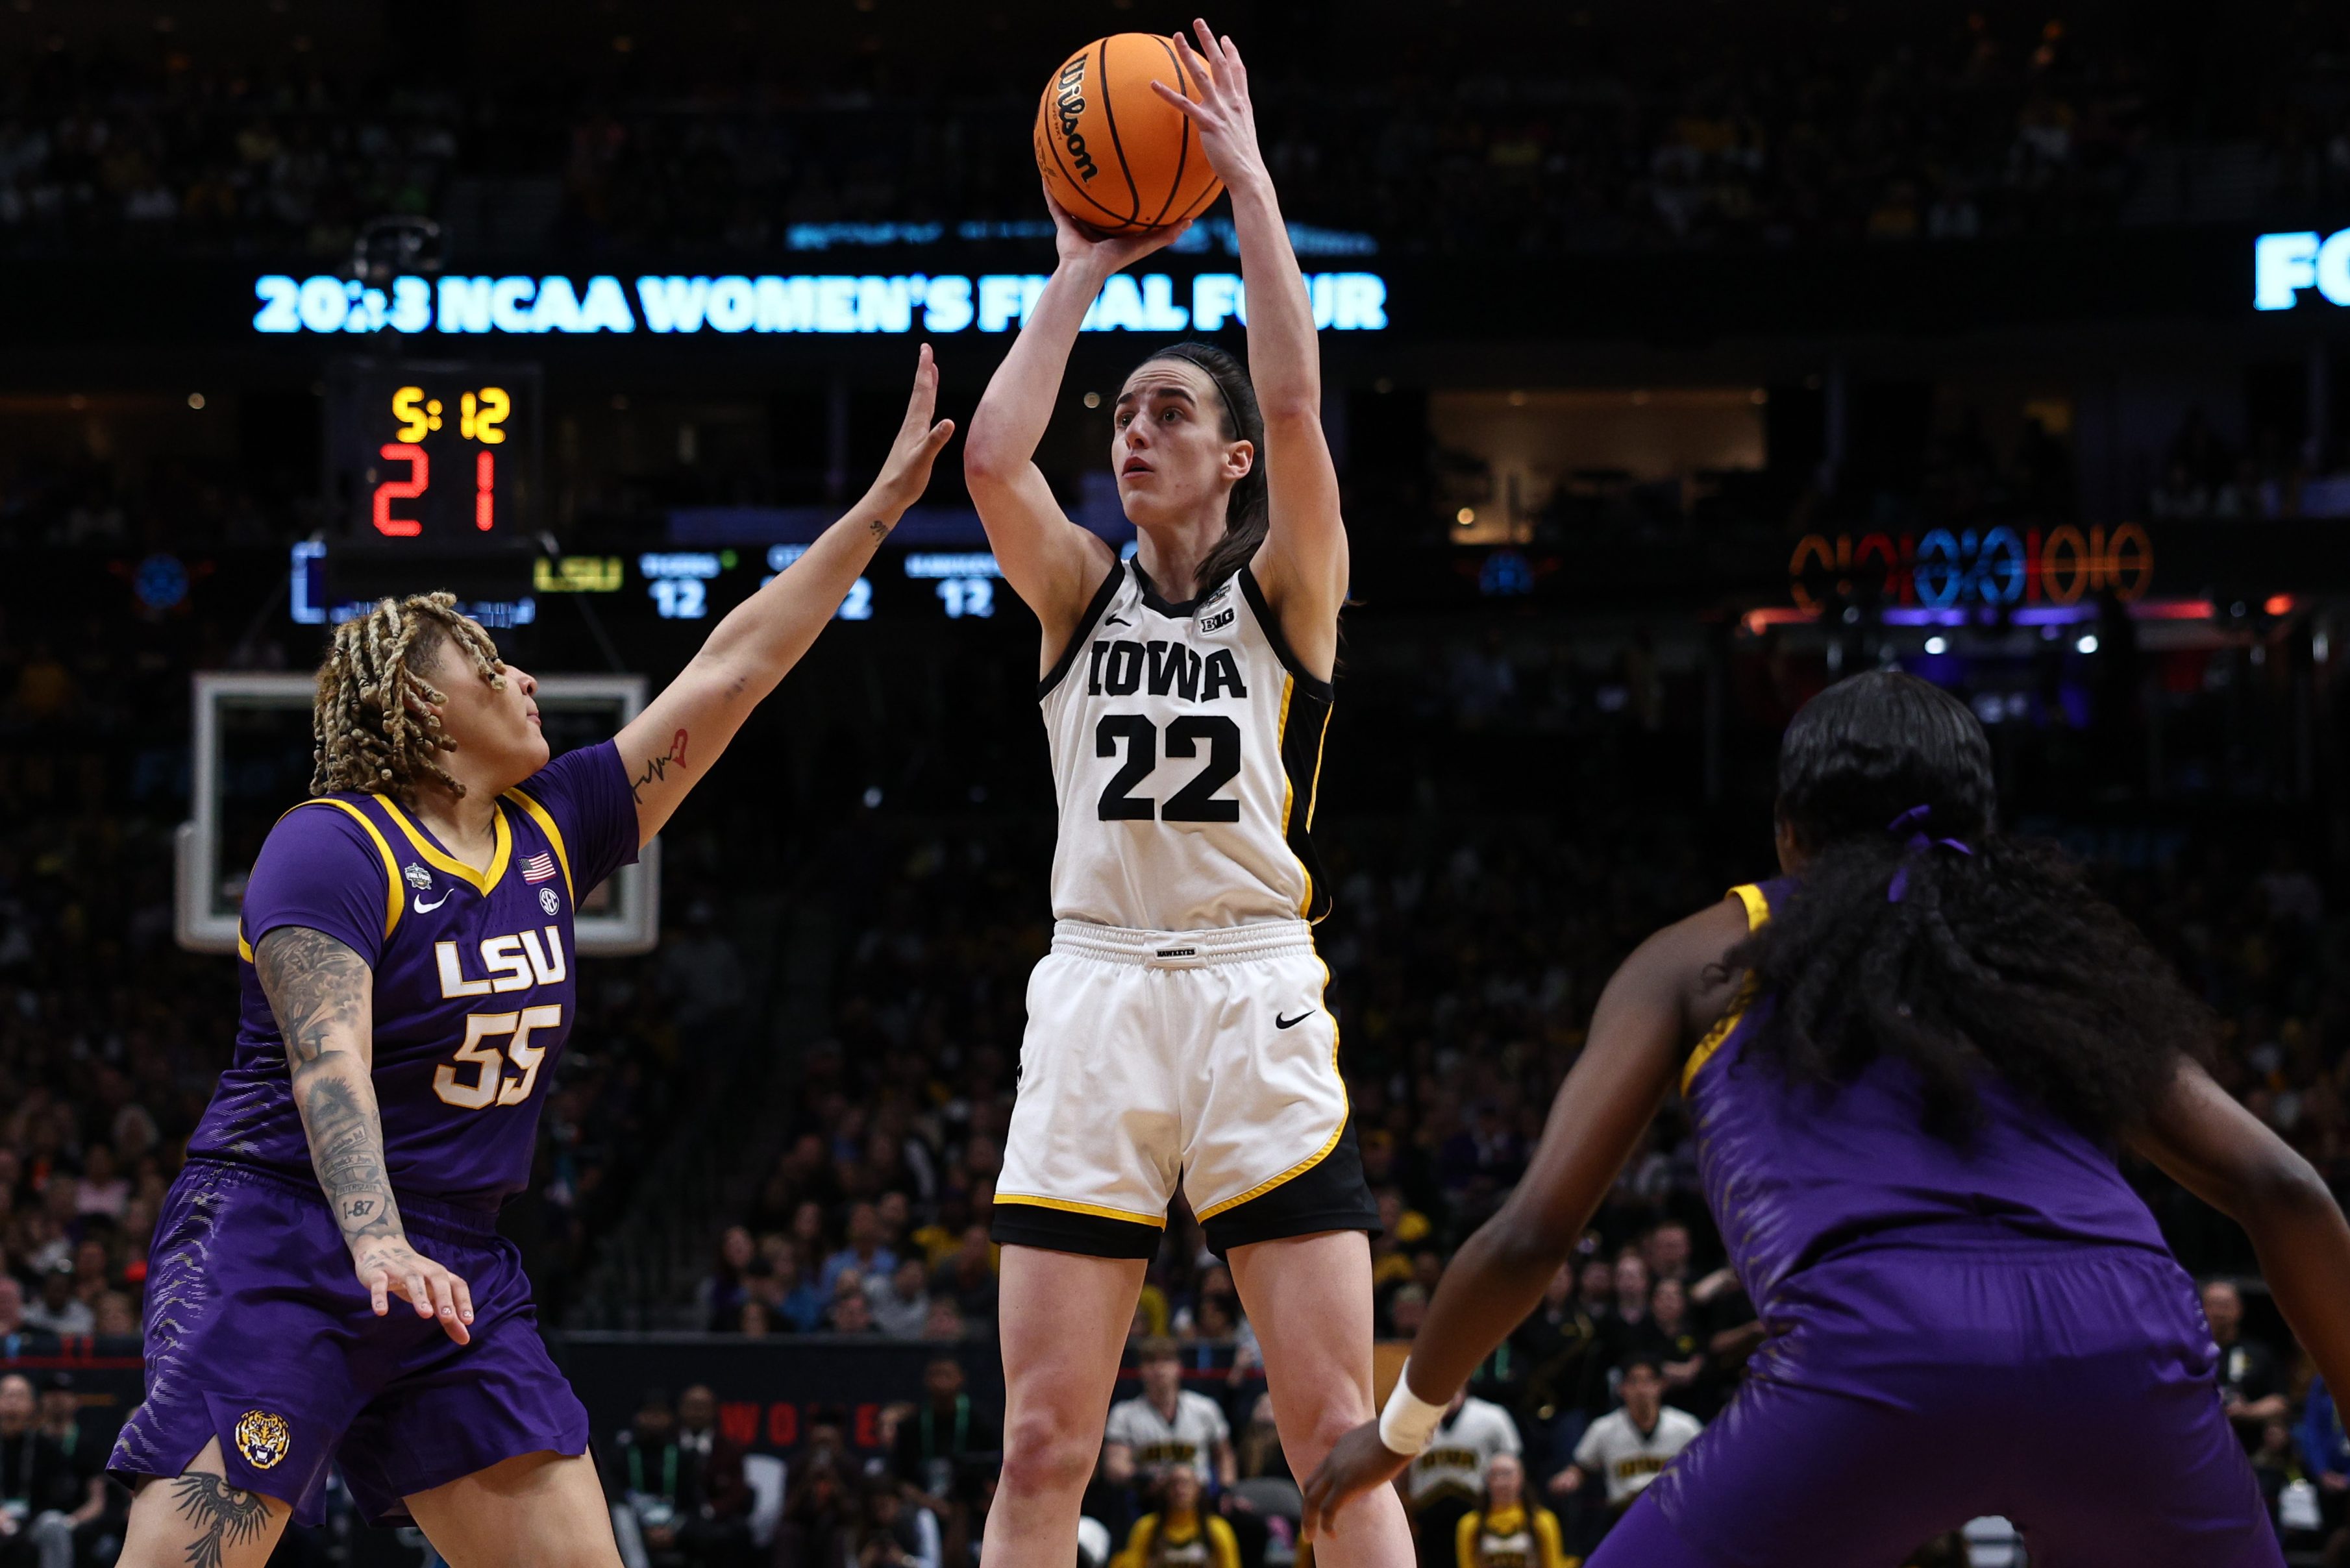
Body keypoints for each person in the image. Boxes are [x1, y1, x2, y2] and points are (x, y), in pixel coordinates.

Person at [104, 350, 956, 1568]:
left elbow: (737, 666)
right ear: (419, 701)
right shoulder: (328, 847)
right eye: (491, 663)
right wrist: (374, 1235)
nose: (525, 674)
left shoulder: (558, 821)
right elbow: (328, 1064)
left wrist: (878, 509)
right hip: (280, 1238)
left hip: (455, 1257)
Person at [1307, 671, 2350, 1566]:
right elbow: (2287, 1190)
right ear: (1975, 835)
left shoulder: (1705, 953)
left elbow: (1533, 1234)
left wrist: (1401, 1431)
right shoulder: (2048, 963)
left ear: (1787, 832)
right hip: (2128, 1345)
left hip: (1881, 1353)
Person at [963, 21, 1406, 1565]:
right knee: (1036, 1443)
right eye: (1124, 414)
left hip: (1249, 995)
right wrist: (1083, 262)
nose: (1131, 430)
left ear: (1228, 463)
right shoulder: (1077, 597)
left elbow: (1296, 402)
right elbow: (995, 461)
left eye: (1165, 413)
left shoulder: (1289, 588)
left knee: (1332, 1434)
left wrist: (1249, 186)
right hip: (1092, 994)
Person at [1550, 1357, 1700, 1539]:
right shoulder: (1604, 1428)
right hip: (1623, 1517)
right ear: (1622, 1389)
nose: (1641, 1389)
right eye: (1634, 1381)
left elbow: (1706, 1469)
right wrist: (1570, 1476)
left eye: (1648, 1381)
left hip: (1675, 1517)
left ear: (1661, 1385)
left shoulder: (1686, 1427)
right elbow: (1582, 1466)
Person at [1402, 1391, 1520, 1568]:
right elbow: (1398, 1473)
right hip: (1427, 1518)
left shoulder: (1492, 1416)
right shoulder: (1408, 1417)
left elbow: (1512, 1462)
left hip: (1478, 1514)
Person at [1104, 1341, 1235, 1495]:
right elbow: (1115, 1465)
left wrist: (1227, 1491)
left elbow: (1225, 1456)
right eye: (1151, 1362)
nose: (1159, 1369)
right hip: (1148, 1498)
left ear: (1179, 1367)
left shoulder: (1204, 1408)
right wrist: (1144, 1479)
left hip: (1199, 1500)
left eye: (1166, 1361)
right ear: (1140, 1369)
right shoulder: (1123, 1414)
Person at [2208, 1279, 2292, 1447]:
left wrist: (2248, 1411)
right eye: (2213, 1304)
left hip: (2249, 1447)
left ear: (2239, 1308)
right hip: (2202, 1445)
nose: (2219, 1312)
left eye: (2225, 1305)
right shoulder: (2188, 1354)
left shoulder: (2260, 1353)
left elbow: (2280, 1402)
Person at [1454, 1453, 1568, 1568]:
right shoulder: (1470, 1524)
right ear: (1487, 1481)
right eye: (1495, 1475)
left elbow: (1553, 1565)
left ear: (1521, 1477)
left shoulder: (1542, 1520)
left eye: (1508, 1474)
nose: (1501, 1482)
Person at [1112, 1467, 1239, 1568]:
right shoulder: (1146, 1527)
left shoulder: (1218, 1529)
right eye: (1174, 1484)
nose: (1180, 1490)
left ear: (1198, 1490)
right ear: (1165, 1491)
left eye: (1186, 1483)